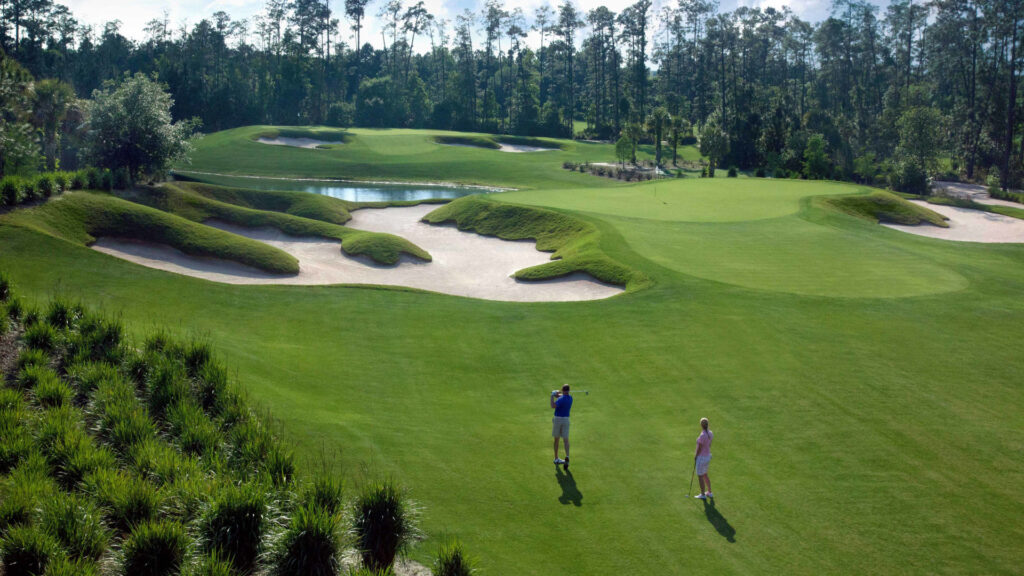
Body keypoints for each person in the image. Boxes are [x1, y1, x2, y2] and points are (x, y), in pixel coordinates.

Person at [550, 384, 572, 470]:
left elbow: (552, 406)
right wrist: (557, 393)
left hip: (558, 420)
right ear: (569, 391)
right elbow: (561, 396)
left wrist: (552, 395)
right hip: (566, 420)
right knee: (566, 440)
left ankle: (556, 458)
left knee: (556, 440)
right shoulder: (570, 398)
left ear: (563, 390)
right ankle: (567, 456)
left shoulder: (561, 399)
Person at [694, 417, 713, 499]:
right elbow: (709, 445)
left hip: (701, 457)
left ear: (701, 425)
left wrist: (695, 456)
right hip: (707, 456)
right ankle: (709, 492)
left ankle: (703, 494)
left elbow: (699, 448)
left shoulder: (702, 435)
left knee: (700, 475)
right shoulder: (710, 433)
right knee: (705, 474)